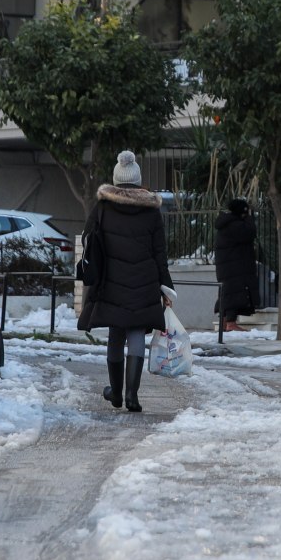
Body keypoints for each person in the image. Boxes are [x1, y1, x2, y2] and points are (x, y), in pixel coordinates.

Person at [80, 150, 173, 413]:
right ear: (137, 179)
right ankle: (132, 396)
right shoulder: (151, 212)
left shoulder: (103, 208)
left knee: (115, 334)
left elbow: (89, 241)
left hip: (111, 282)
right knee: (135, 334)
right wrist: (165, 286)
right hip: (144, 283)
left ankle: (116, 393)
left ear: (116, 179)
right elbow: (160, 254)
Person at [213, 198, 258, 332]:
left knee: (228, 293)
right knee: (233, 293)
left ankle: (225, 322)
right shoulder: (235, 225)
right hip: (234, 266)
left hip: (228, 265)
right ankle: (231, 323)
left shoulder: (227, 224)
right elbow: (250, 233)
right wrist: (250, 218)